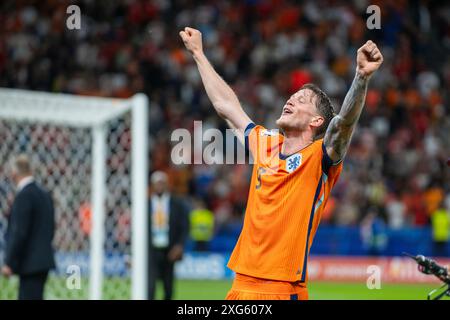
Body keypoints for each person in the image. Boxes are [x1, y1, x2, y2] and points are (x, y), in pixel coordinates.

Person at [180, 27, 383, 300]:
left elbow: (343, 124)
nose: (291, 99)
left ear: (316, 122)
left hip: (282, 289)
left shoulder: (320, 157)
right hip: (240, 286)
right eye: (293, 96)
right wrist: (198, 54)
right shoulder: (265, 142)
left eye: (302, 101)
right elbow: (226, 106)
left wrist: (361, 77)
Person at [1, 155, 56, 300]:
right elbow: (51, 228)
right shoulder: (45, 195)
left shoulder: (24, 196)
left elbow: (19, 232)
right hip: (43, 260)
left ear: (14, 173)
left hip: (29, 262)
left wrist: (9, 262)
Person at [148, 171, 189, 300]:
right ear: (152, 185)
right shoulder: (145, 205)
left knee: (168, 287)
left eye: (162, 183)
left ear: (166, 184)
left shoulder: (177, 204)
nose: (159, 186)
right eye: (157, 183)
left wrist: (179, 245)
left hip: (169, 250)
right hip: (151, 250)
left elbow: (184, 226)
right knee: (150, 287)